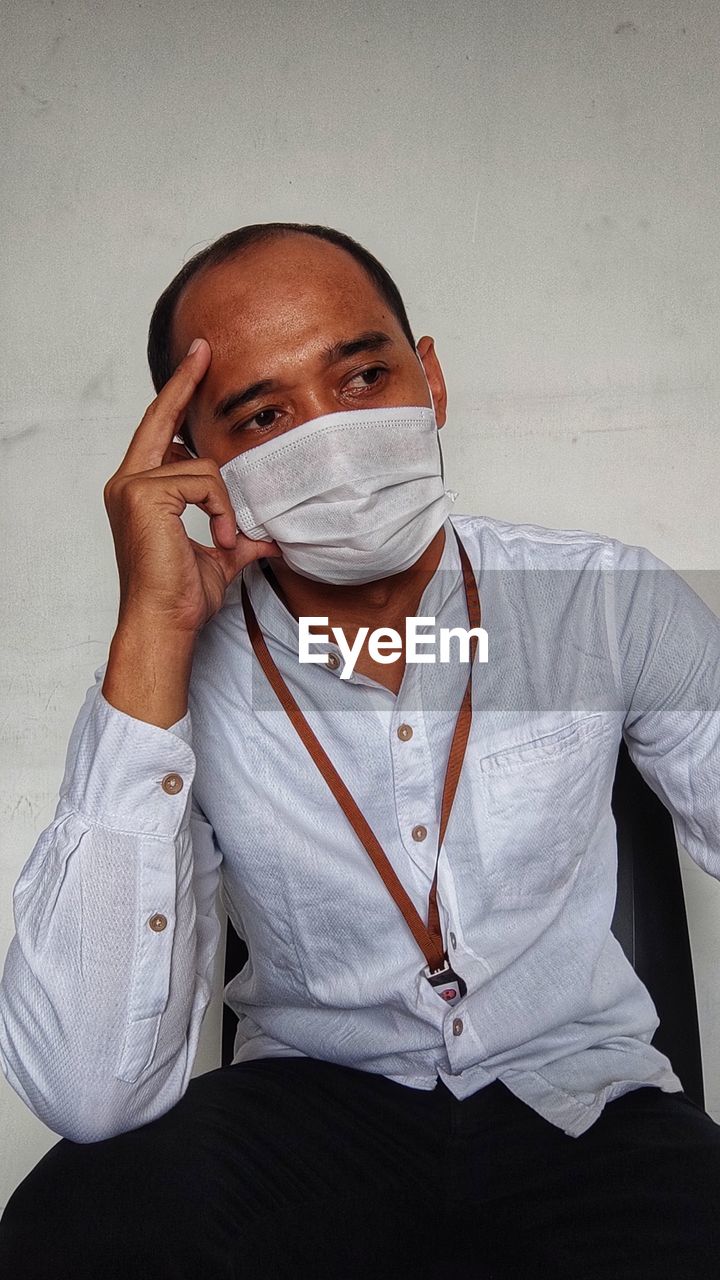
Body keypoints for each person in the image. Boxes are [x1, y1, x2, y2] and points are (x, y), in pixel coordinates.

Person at [0, 222, 718, 1279]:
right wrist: (152, 633)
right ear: (197, 466)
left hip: (584, 1102)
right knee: (77, 1230)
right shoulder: (171, 667)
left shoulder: (597, 601)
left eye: (363, 375)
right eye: (264, 414)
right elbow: (89, 1090)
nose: (328, 436)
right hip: (313, 1107)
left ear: (428, 377)